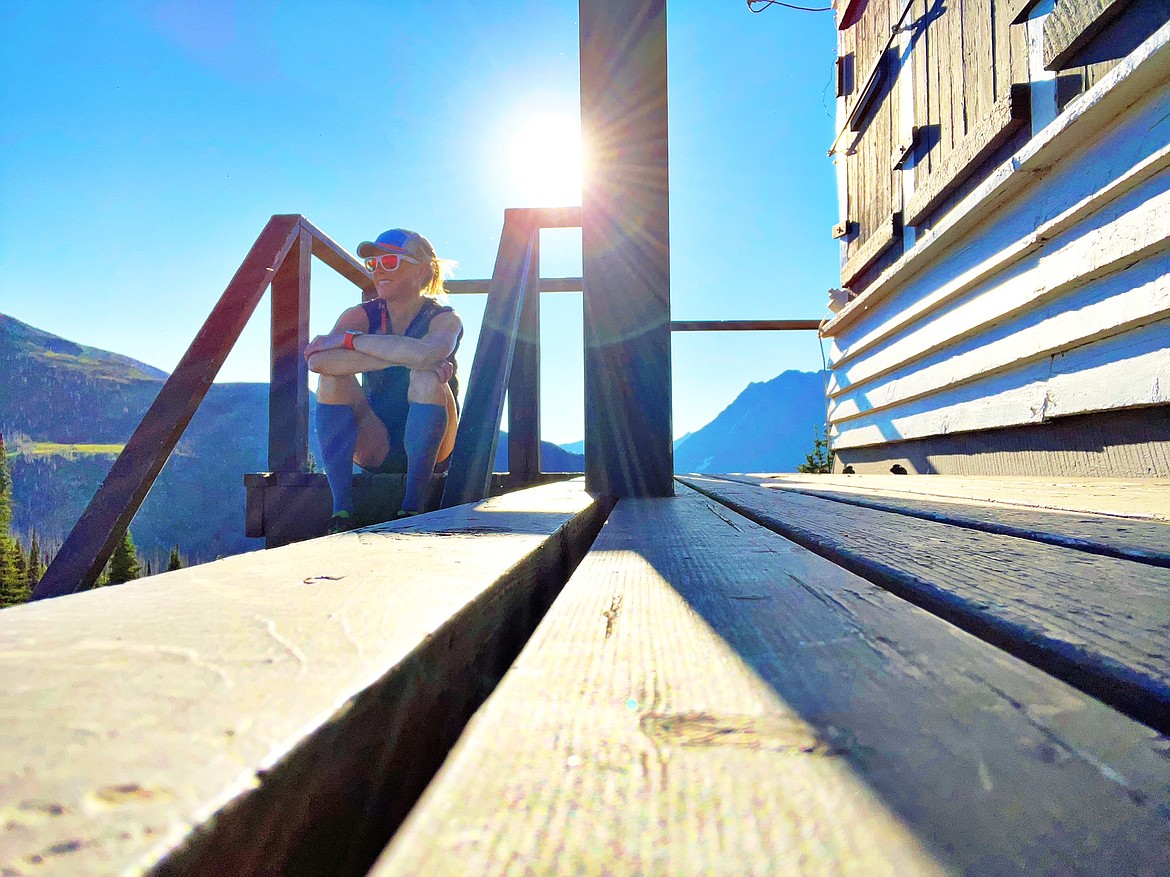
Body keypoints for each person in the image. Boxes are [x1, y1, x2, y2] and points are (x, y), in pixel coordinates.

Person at [305, 228, 462, 529]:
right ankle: (342, 510)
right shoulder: (361, 315)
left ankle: (413, 506)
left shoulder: (445, 318)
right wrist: (405, 355)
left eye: (389, 262)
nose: (379, 271)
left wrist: (351, 342)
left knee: (427, 380)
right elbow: (319, 360)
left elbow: (429, 354)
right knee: (331, 379)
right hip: (376, 441)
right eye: (373, 264)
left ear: (421, 270)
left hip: (436, 444)